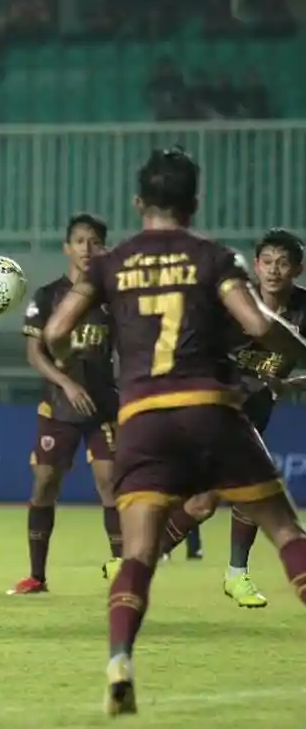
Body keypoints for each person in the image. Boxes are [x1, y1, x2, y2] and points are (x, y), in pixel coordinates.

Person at [43, 147, 306, 717]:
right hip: (210, 408)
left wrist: (70, 354)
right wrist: (297, 350)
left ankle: (119, 662)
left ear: (139, 203)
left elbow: (57, 331)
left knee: (137, 551)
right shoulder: (213, 258)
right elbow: (259, 326)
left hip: (143, 420)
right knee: (285, 530)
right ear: (195, 203)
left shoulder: (108, 265)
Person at [152, 228, 306, 607]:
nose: (274, 270)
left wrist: (290, 385)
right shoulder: (236, 302)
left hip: (254, 411)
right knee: (212, 497)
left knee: (227, 494)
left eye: (283, 263)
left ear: (298, 269)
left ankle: (146, 559)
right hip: (212, 406)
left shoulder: (303, 310)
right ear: (256, 265)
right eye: (267, 261)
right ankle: (154, 560)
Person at [12, 214, 120, 595]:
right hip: (58, 405)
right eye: (79, 241)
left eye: (94, 241)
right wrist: (66, 382)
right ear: (67, 248)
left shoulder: (114, 299)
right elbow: (34, 353)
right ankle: (36, 576)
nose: (87, 249)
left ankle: (122, 573)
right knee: (45, 485)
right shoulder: (47, 296)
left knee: (110, 482)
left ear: (104, 248)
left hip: (104, 405)